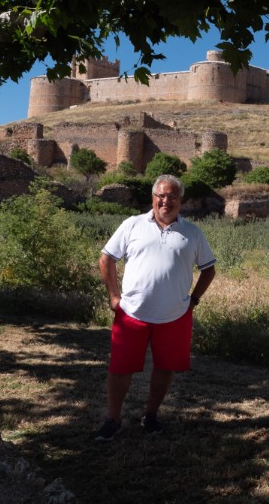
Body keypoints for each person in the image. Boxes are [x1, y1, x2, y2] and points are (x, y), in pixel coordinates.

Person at [92, 174, 216, 440]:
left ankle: (150, 416)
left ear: (181, 201)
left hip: (175, 316)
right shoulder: (132, 224)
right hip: (132, 313)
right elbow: (106, 259)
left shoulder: (193, 232)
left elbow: (209, 269)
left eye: (172, 196)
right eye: (161, 195)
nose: (166, 201)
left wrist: (193, 300)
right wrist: (114, 297)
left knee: (165, 368)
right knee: (120, 369)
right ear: (153, 198)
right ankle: (112, 420)